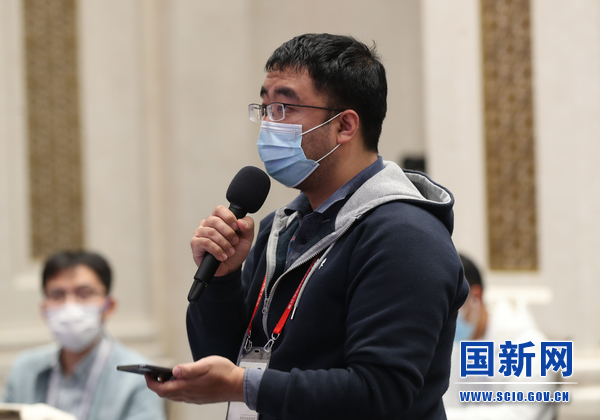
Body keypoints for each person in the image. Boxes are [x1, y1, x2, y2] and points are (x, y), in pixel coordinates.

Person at [147, 33, 469, 420]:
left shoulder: (405, 236)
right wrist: (222, 279)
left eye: (284, 107)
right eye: (265, 107)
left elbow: (380, 391)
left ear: (344, 125)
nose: (268, 123)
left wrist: (244, 386)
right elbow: (223, 360)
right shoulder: (279, 229)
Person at [2, 251, 166, 420]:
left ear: (109, 306)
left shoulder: (140, 379)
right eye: (57, 295)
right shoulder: (24, 371)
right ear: (44, 309)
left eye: (85, 294)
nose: (70, 306)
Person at [444, 254, 556, 420]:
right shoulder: (452, 349)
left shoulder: (529, 347)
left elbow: (519, 415)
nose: (442, 317)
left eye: (449, 306)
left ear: (475, 296)